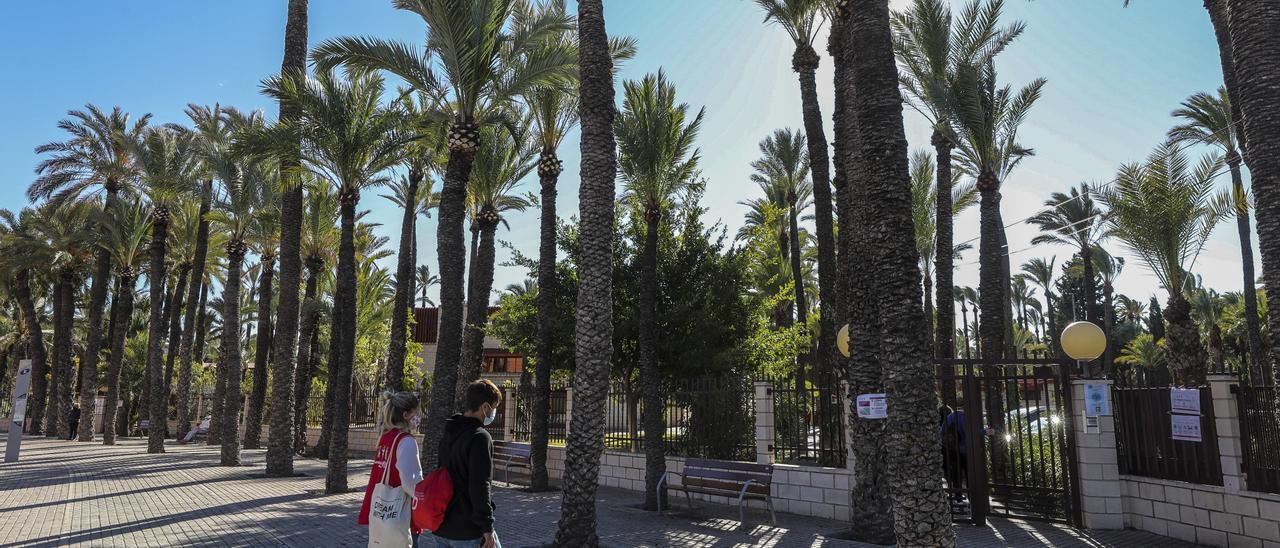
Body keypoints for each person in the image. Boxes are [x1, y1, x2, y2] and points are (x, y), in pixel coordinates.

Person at [425, 379, 501, 548]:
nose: (494, 413)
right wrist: (487, 527)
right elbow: (480, 484)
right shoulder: (480, 437)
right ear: (485, 407)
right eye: (494, 407)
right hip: (467, 529)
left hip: (442, 524)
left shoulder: (450, 431)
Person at [359, 391, 424, 547]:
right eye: (417, 412)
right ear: (406, 414)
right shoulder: (406, 441)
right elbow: (411, 483)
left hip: (381, 511)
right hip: (400, 514)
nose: (419, 417)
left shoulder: (385, 438)